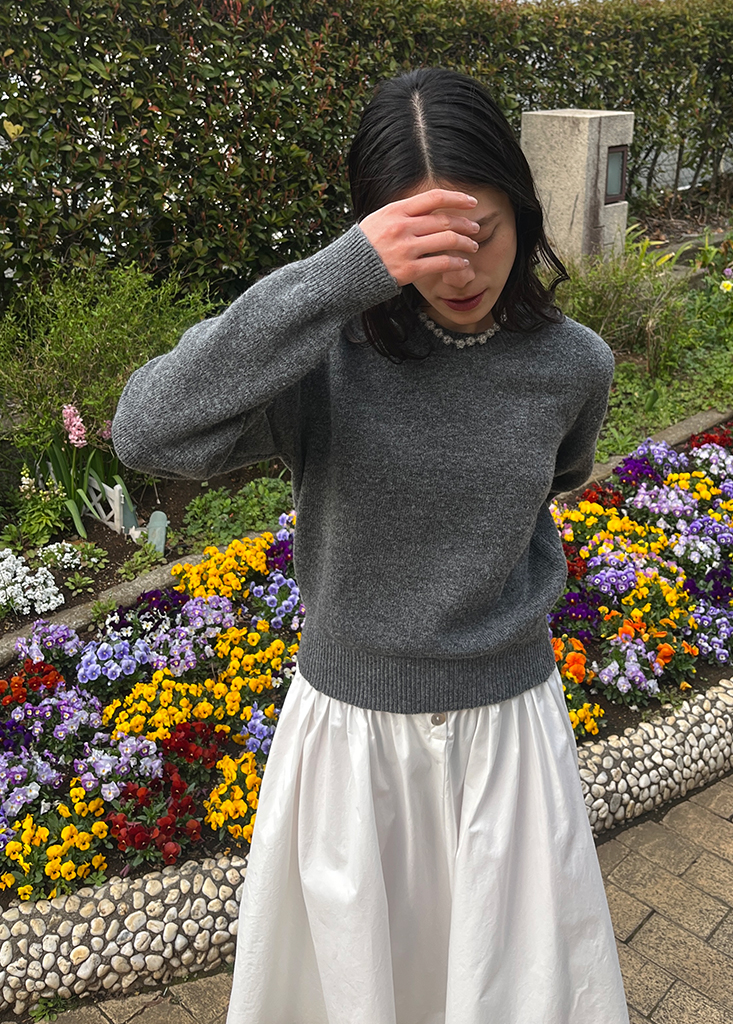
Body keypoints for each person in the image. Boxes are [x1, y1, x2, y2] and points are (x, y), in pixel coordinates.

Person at [113, 67, 630, 1024]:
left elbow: (557, 478)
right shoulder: (325, 362)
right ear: (378, 237)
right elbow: (146, 430)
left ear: (522, 213)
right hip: (349, 741)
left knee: (514, 993)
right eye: (426, 243)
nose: (462, 270)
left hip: (509, 735)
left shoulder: (573, 365)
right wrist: (336, 277)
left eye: (483, 232)